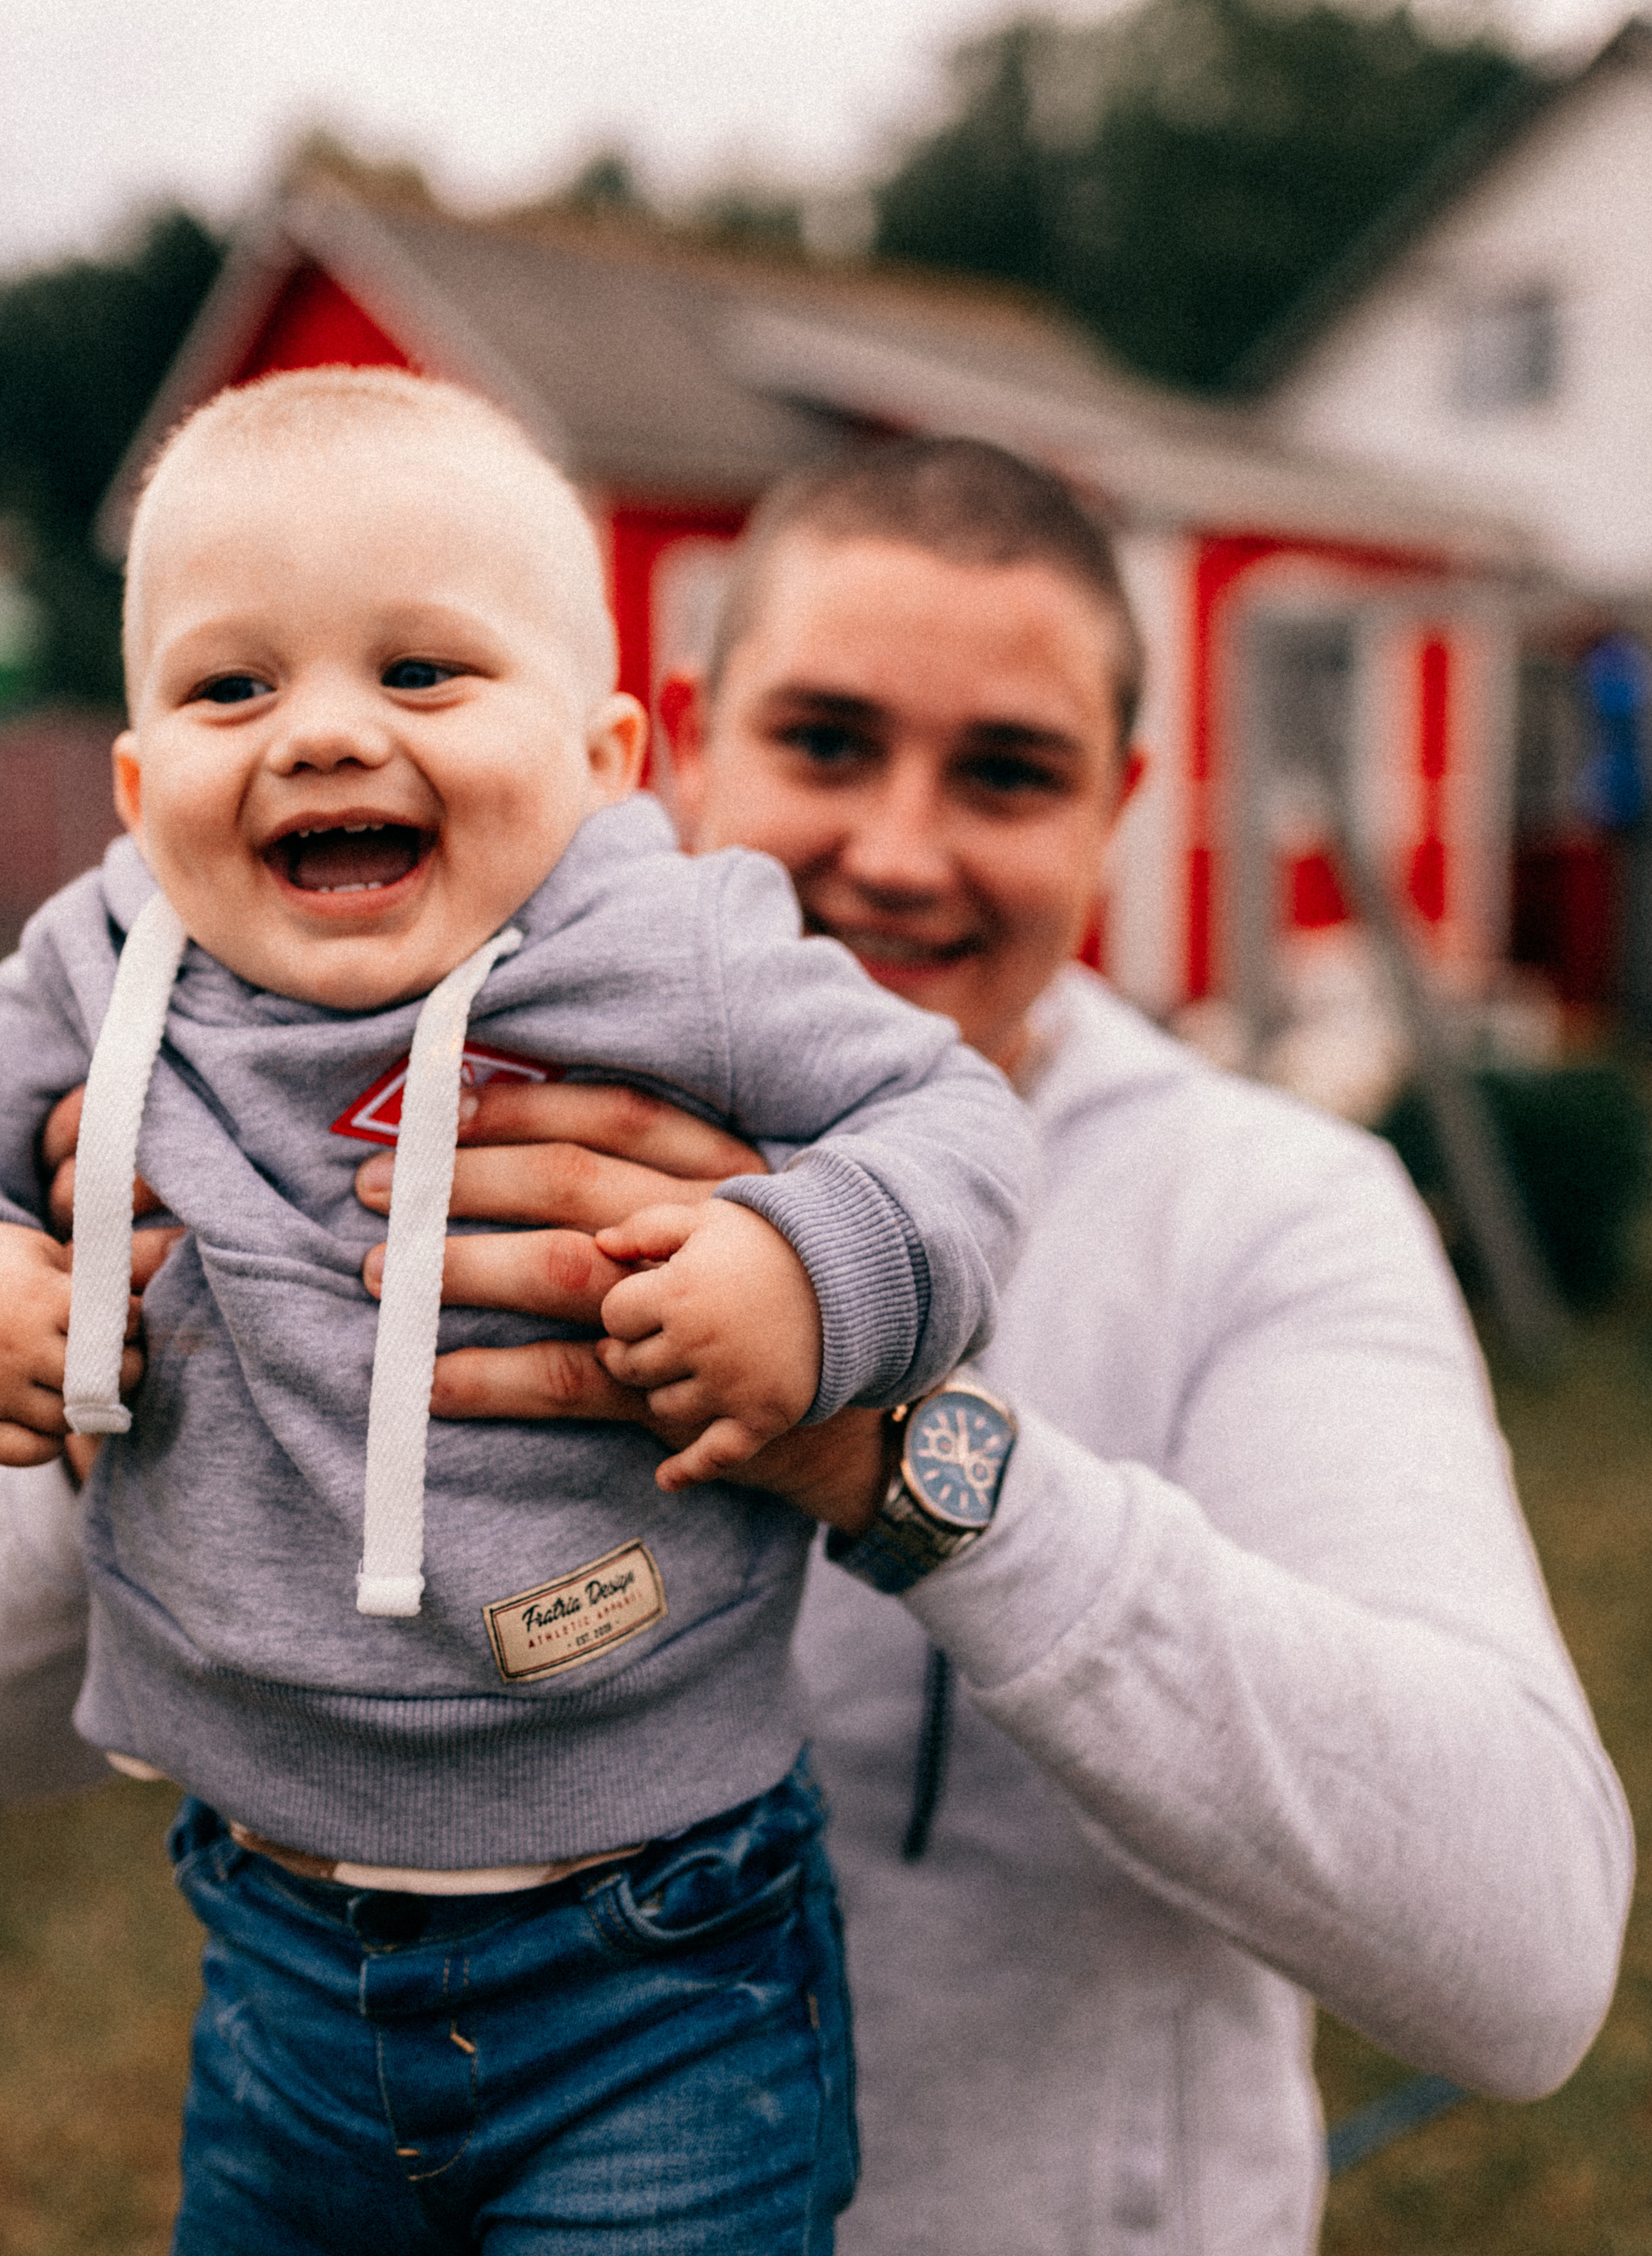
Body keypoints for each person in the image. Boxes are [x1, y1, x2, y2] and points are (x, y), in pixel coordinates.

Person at [6, 435, 1633, 2255]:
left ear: (1122, 808)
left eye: (1010, 775)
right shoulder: (290, 1072)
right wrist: (145, 1346)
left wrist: (888, 1453)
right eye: (828, 742)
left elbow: (1530, 1964)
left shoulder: (1267, 1205)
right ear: (680, 741)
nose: (899, 847)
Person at [0, 376, 1037, 2255]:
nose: (320, 735)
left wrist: (810, 1272)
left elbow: (960, 1124)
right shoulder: (98, 968)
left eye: (419, 674)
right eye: (234, 688)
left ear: (606, 753)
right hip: (273, 1946)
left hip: (664, 1960)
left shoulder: (677, 953)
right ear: (142, 781)